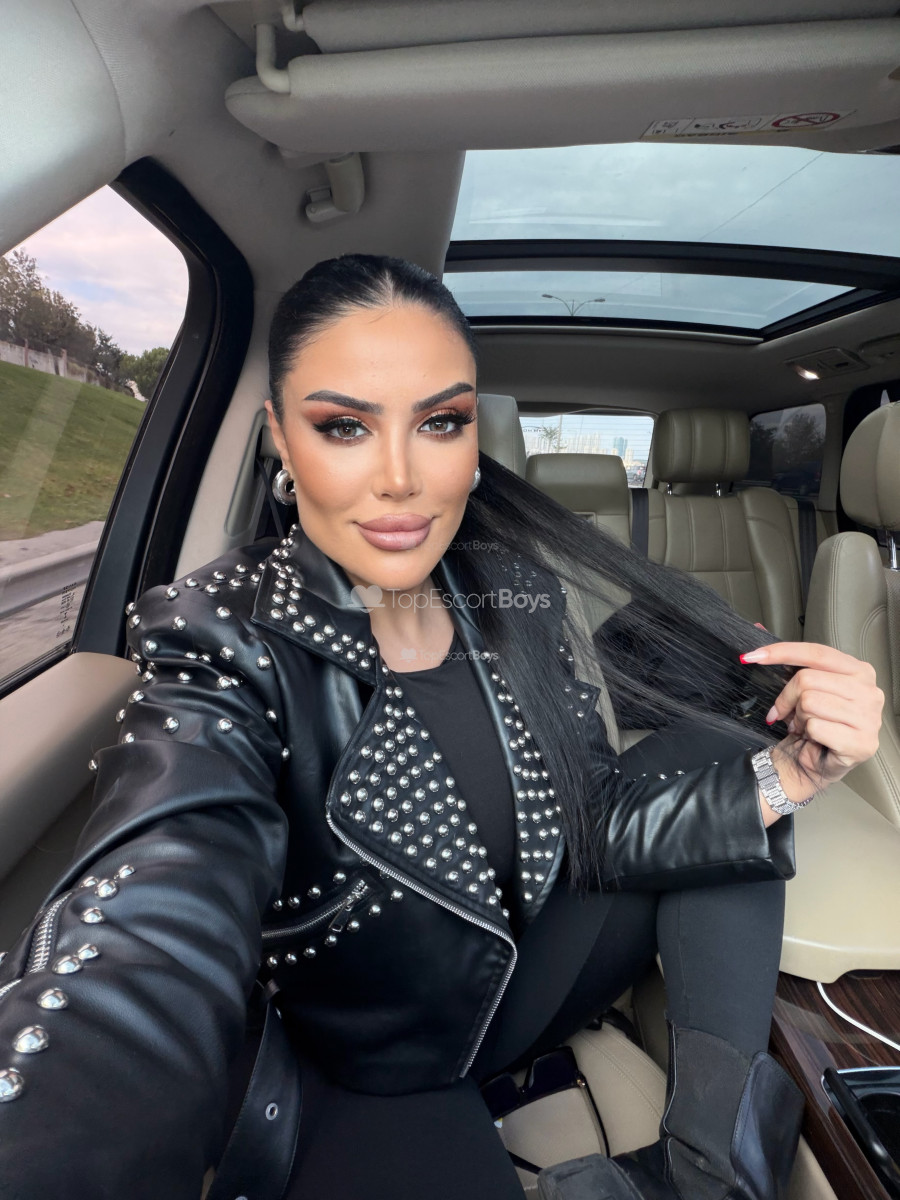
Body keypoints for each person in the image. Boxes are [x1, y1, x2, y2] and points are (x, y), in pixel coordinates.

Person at [0, 254, 882, 1200]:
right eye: (344, 426)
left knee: (729, 756)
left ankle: (708, 1164)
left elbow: (594, 822)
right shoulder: (220, 634)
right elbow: (155, 911)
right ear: (281, 439)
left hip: (529, 972)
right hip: (388, 1059)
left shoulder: (515, 595)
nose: (401, 478)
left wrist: (794, 773)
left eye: (440, 423)